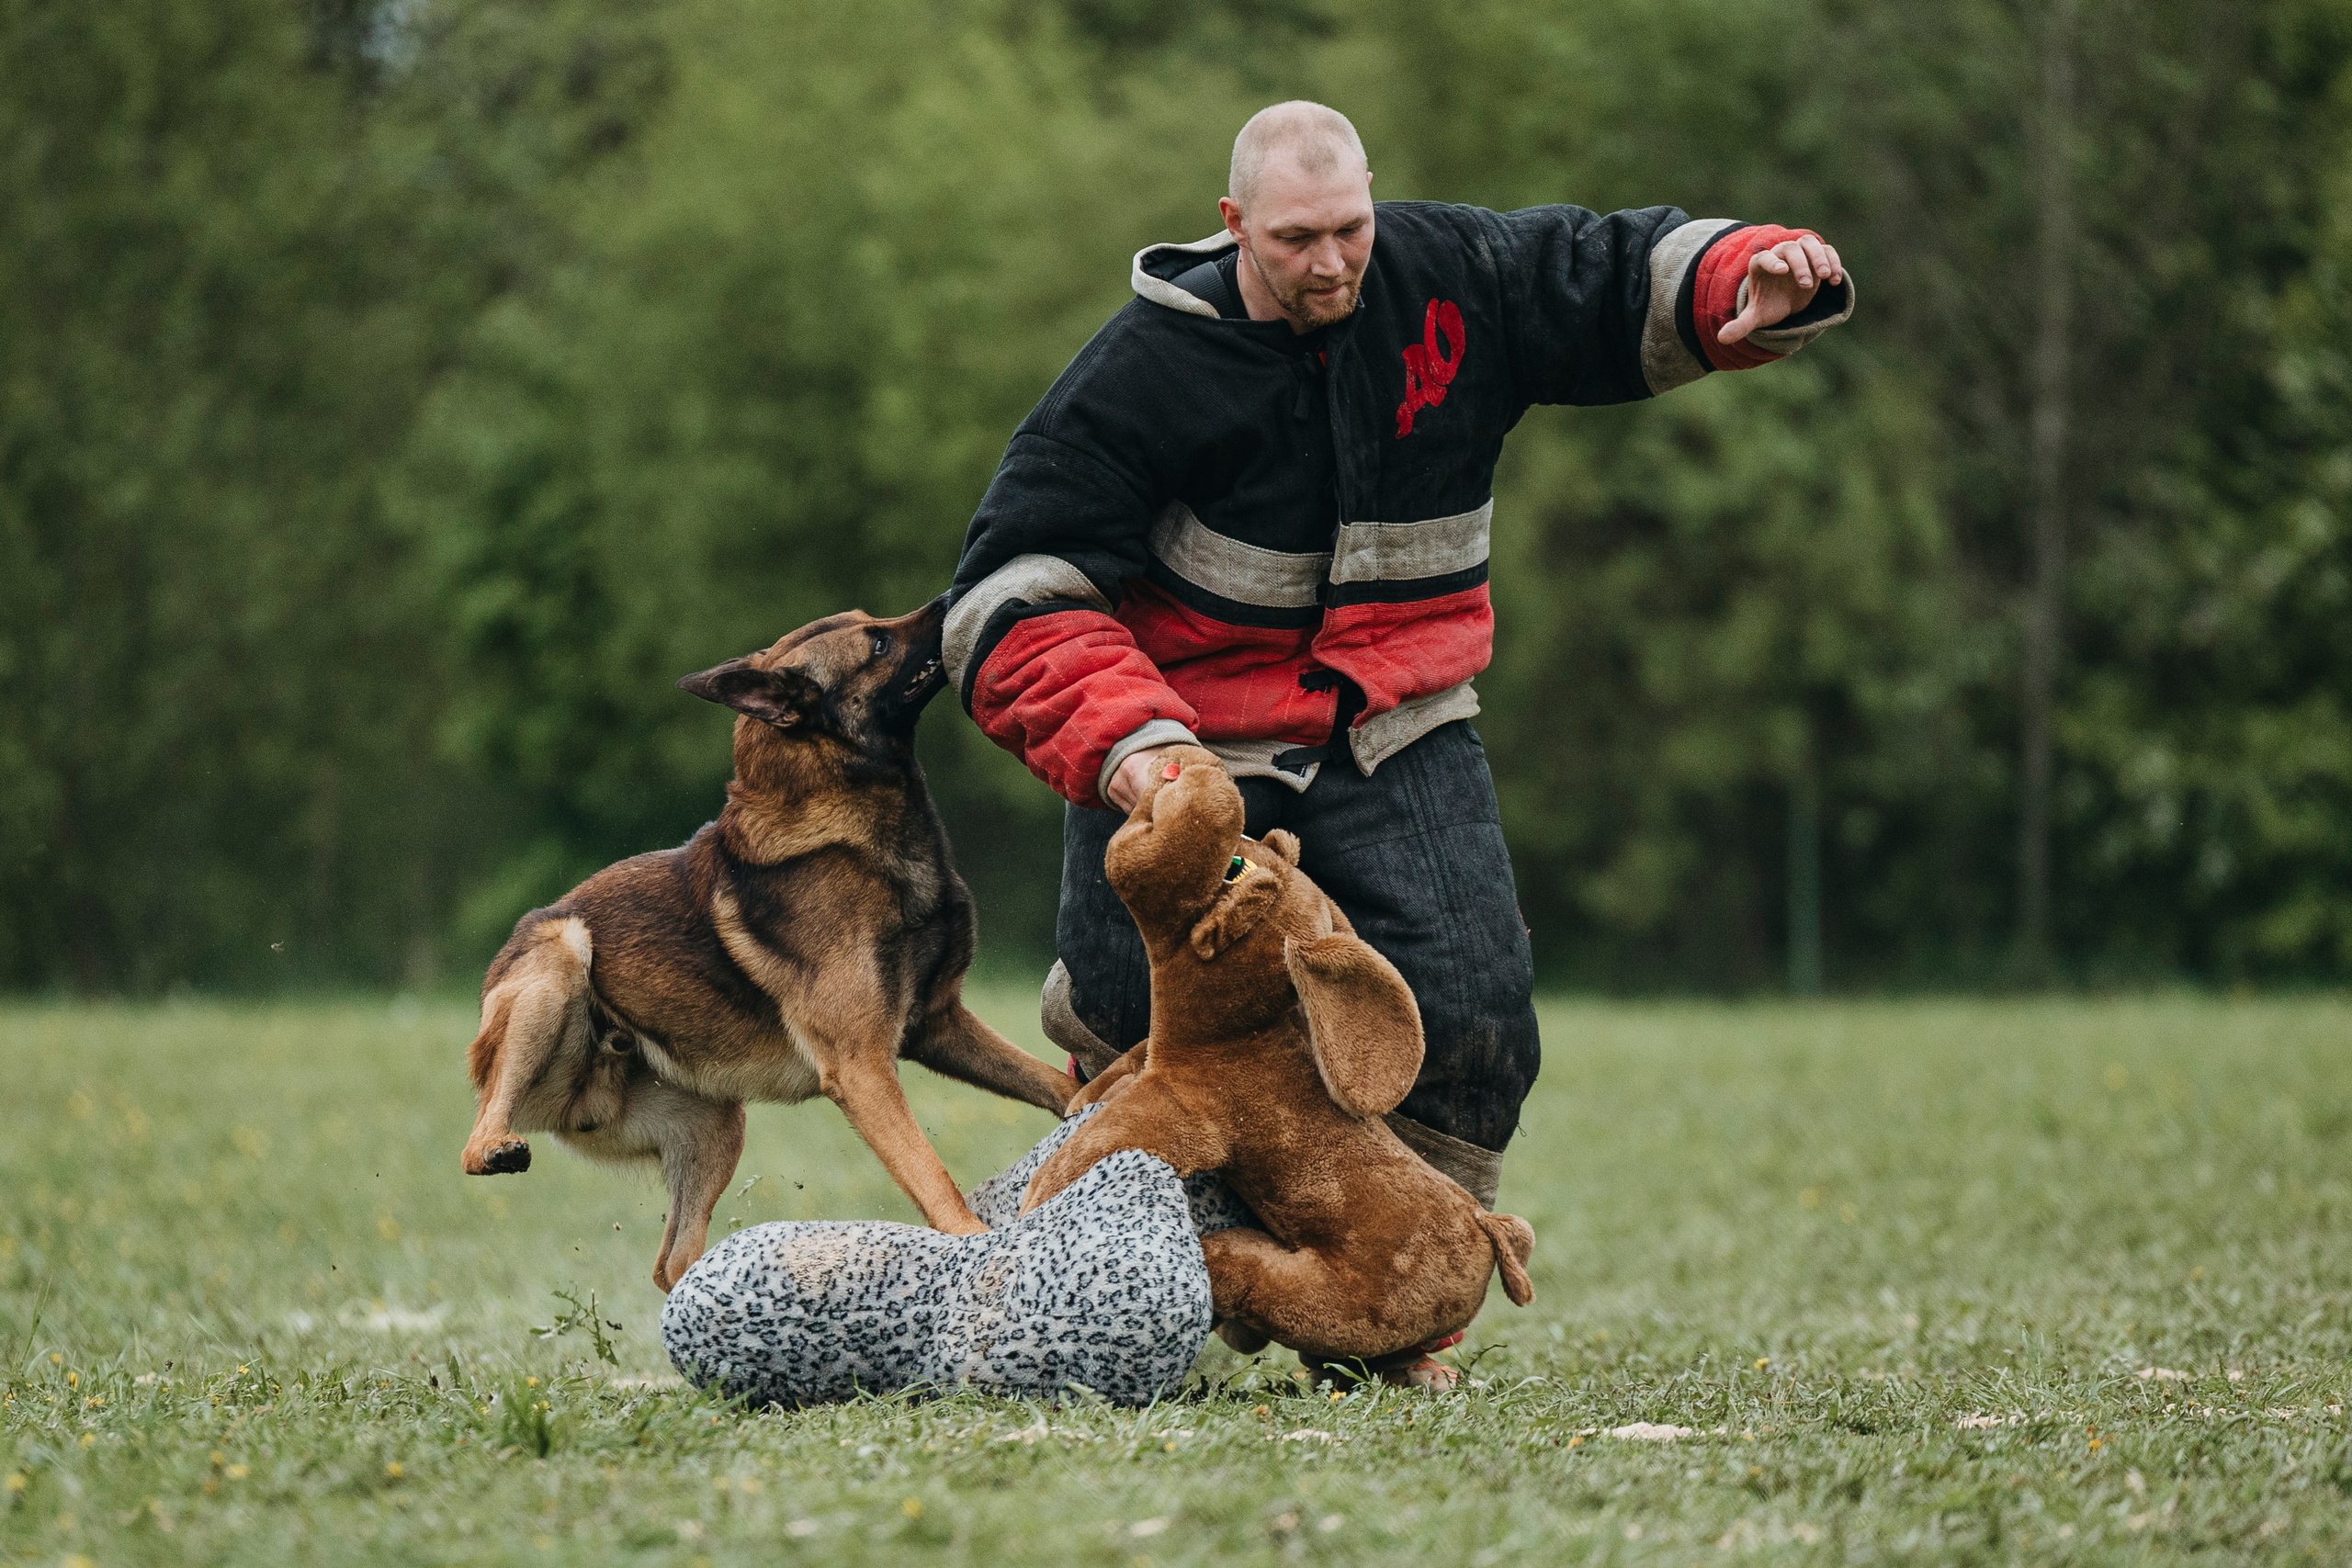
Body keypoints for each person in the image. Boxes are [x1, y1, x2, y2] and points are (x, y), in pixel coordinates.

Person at [944, 101, 1850, 1382]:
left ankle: (1383, 1313)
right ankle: (1132, 1304)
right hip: (1185, 755)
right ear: (1233, 228)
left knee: (1476, 1025)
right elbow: (1008, 596)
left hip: (1401, 723)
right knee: (1131, 1032)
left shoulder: (1453, 278)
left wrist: (1739, 281)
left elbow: (1599, 275)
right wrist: (1137, 751)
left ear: (1378, 203)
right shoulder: (1138, 374)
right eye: (1297, 238)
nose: (1332, 262)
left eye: (1351, 228)